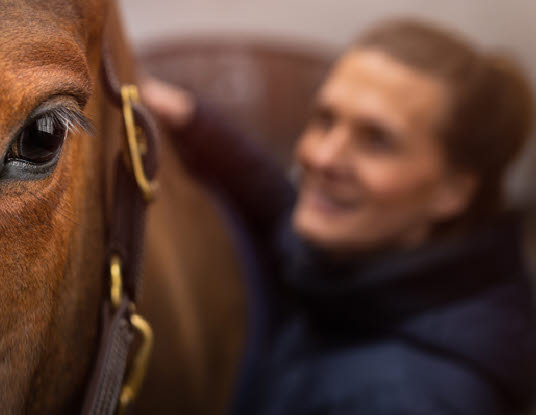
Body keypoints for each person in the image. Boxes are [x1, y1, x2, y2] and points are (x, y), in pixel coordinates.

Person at [142, 19, 536, 414]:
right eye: (325, 119)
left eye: (377, 140)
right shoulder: (371, 269)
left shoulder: (406, 398)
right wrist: (195, 122)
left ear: (454, 191)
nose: (321, 156)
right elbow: (281, 204)